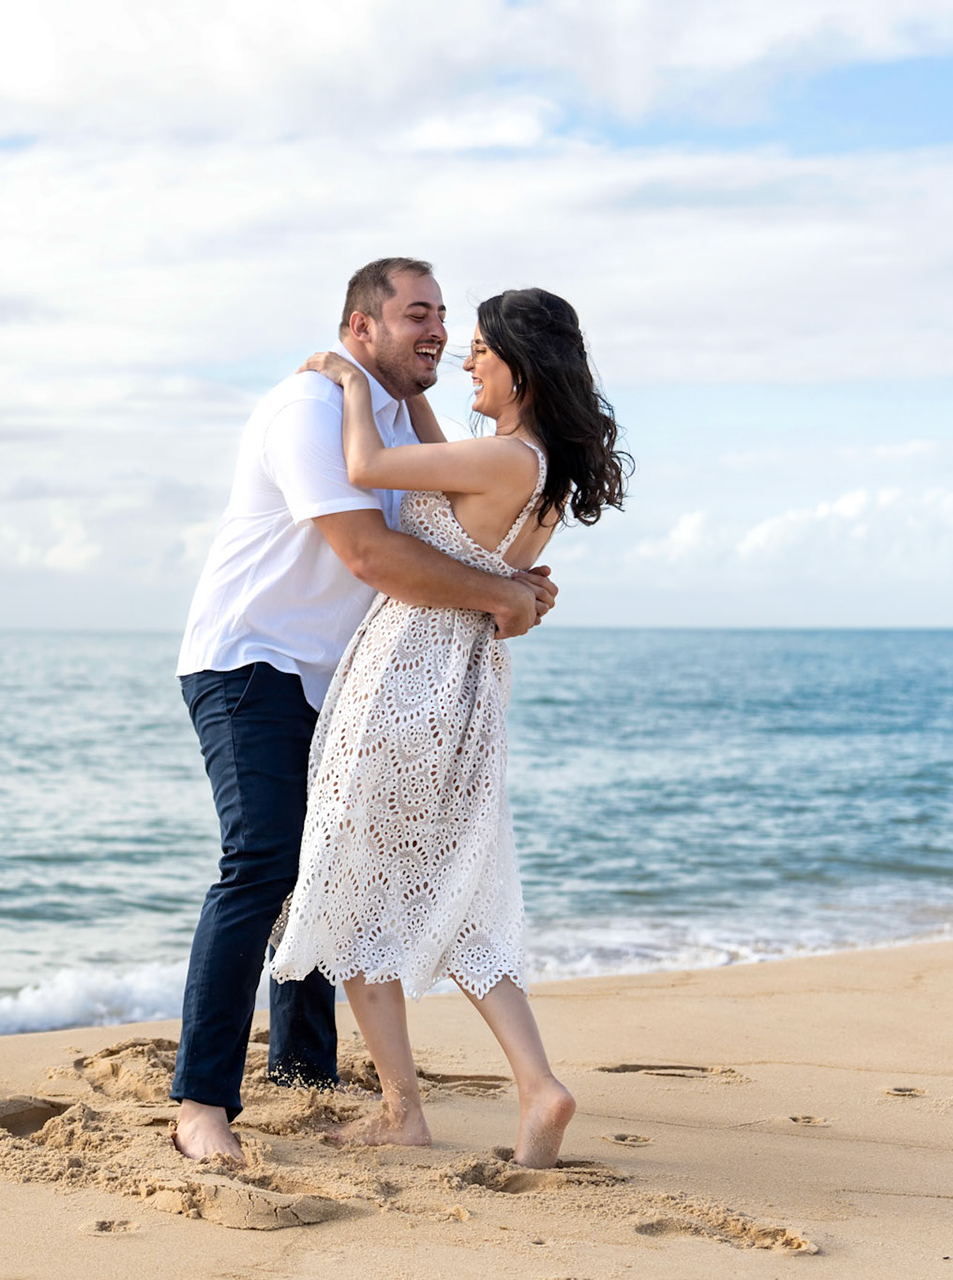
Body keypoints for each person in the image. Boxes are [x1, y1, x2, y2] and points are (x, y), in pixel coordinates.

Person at [170, 258, 559, 1164]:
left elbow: (451, 540)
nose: (438, 333)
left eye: (444, 316)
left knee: (327, 869)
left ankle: (306, 1072)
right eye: (417, 314)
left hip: (341, 678)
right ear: (361, 329)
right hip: (250, 659)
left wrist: (508, 588)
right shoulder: (311, 410)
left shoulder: (396, 422)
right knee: (264, 860)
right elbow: (371, 556)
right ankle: (200, 1100)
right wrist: (501, 596)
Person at [270, 286, 631, 1169]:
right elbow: (443, 461)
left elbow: (365, 469)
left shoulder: (503, 460)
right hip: (465, 680)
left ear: (519, 363)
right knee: (455, 895)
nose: (464, 361)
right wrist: (414, 394)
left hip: (406, 673)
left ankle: (403, 1109)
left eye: (478, 349)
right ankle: (536, 1086)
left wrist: (353, 384)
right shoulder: (533, 463)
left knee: (352, 888)